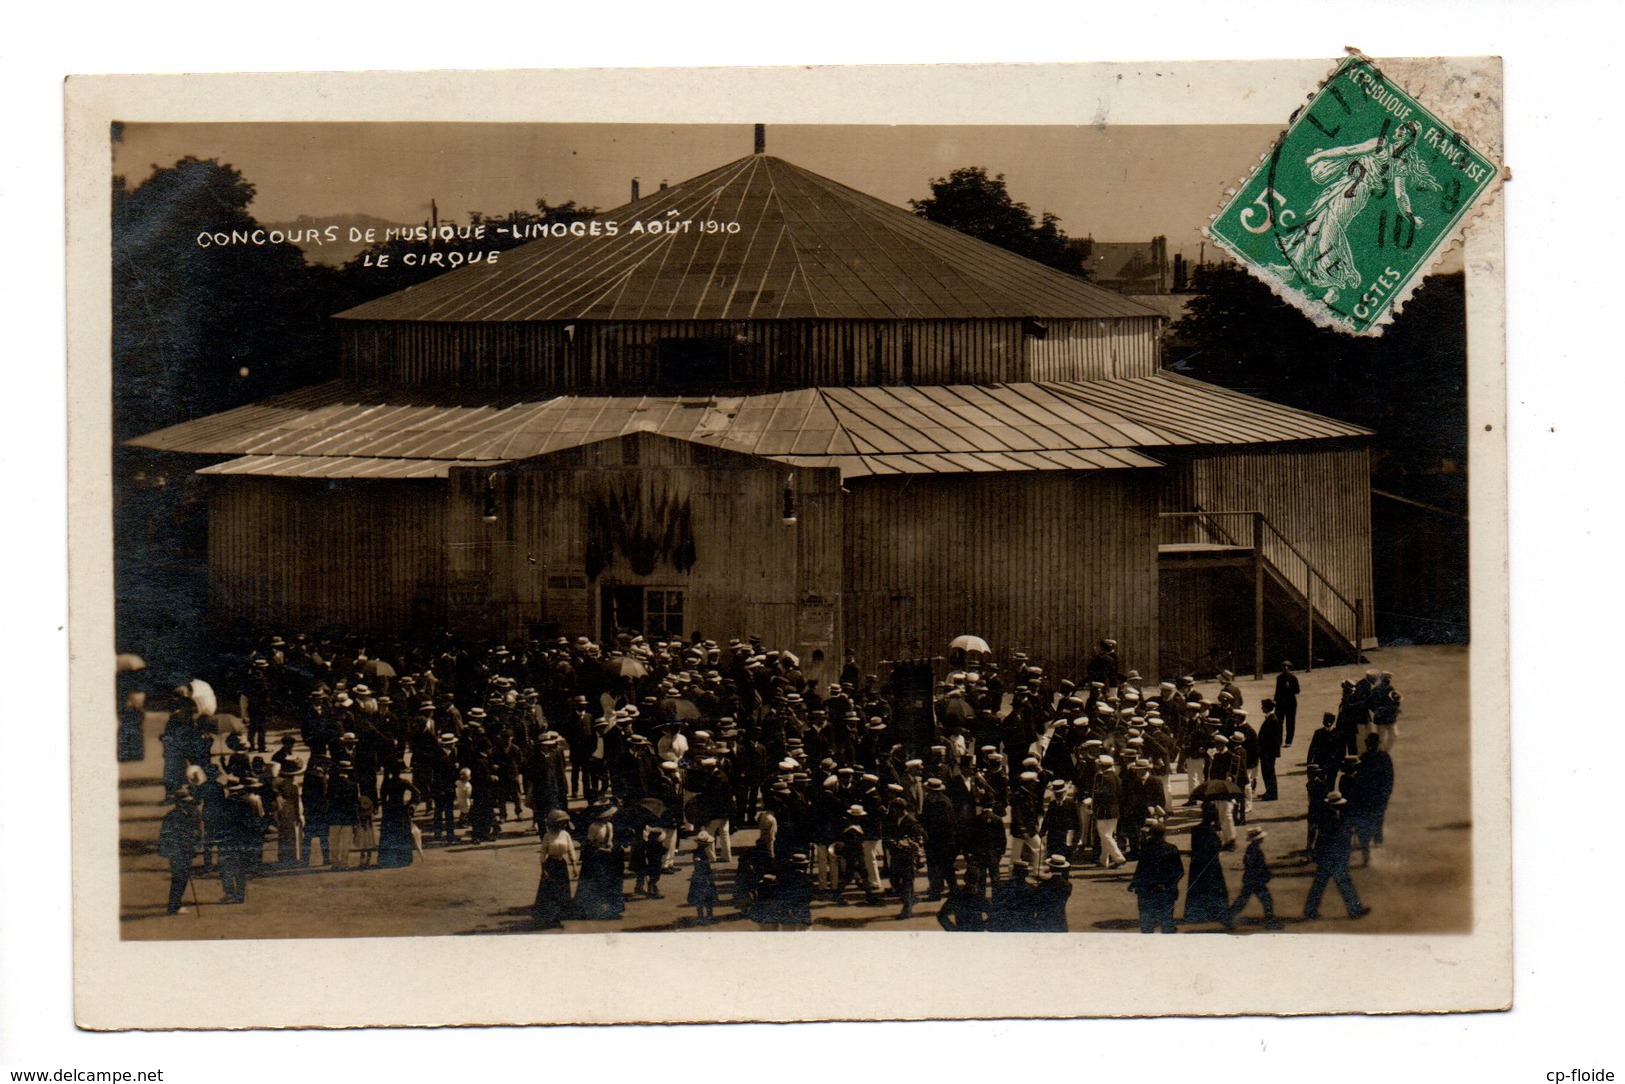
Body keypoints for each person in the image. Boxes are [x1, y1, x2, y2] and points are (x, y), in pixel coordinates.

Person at [1304, 793, 1371, 921]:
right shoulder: (1334, 818)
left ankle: (1310, 910)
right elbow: (1339, 838)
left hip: (1326, 855)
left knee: (1320, 884)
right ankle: (1355, 910)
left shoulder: (1329, 816)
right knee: (1344, 883)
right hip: (1334, 857)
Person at [1128, 817, 1183, 934]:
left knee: (1147, 924)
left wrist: (1133, 883)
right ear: (1164, 835)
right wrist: (1167, 885)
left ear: (1151, 835)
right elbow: (1179, 871)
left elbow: (1140, 869)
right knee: (1166, 921)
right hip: (1166, 891)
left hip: (1147, 891)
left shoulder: (1146, 849)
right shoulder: (1172, 849)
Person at [1182, 805, 1233, 928]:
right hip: (1211, 864)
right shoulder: (1211, 831)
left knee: (1198, 888)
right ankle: (1216, 913)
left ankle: (1196, 913)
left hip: (1197, 864)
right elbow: (1215, 849)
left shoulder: (1196, 830)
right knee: (1215, 887)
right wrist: (1225, 844)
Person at [1228, 827, 1283, 929]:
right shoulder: (1256, 851)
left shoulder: (1251, 849)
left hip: (1250, 879)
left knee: (1243, 900)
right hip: (1256, 880)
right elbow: (1258, 865)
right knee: (1266, 900)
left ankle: (1227, 917)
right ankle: (1270, 922)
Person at [158, 788, 202, 915]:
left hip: (187, 850)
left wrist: (196, 842)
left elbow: (197, 830)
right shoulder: (171, 816)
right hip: (176, 852)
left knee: (183, 878)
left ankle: (176, 904)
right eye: (183, 802)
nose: (186, 804)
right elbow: (165, 836)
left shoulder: (192, 813)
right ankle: (173, 906)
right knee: (178, 878)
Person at [532, 809, 578, 930]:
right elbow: (543, 853)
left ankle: (559, 917)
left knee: (562, 892)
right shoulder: (548, 836)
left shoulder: (565, 835)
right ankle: (549, 918)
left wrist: (574, 866)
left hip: (561, 865)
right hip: (551, 865)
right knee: (550, 892)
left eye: (564, 822)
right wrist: (543, 870)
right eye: (560, 822)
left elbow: (571, 850)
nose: (563, 825)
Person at [1032, 855, 1073, 932]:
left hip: (1044, 920)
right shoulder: (1068, 885)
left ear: (1051, 867)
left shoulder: (1044, 884)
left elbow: (1038, 900)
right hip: (1060, 920)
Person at [688, 831, 720, 924]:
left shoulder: (697, 852)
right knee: (708, 898)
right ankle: (709, 916)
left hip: (697, 877)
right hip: (704, 877)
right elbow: (702, 866)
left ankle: (700, 917)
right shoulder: (701, 854)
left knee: (699, 898)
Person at [1256, 699, 1284, 801]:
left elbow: (1273, 739)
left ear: (1267, 708)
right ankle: (1269, 791)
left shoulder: (1272, 720)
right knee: (1267, 773)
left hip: (1268, 753)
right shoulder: (1271, 719)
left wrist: (1266, 752)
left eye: (1263, 706)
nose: (1261, 708)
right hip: (1267, 752)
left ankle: (1272, 793)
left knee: (1269, 773)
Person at [1274, 663, 1300, 747]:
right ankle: (1279, 740)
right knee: (1279, 722)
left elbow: (1297, 690)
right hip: (1280, 703)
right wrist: (1275, 701)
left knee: (1290, 722)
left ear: (1290, 669)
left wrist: (1290, 688)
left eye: (1287, 667)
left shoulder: (1293, 678)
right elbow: (1277, 690)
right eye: (1284, 667)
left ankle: (1289, 741)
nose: (1285, 668)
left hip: (1291, 703)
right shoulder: (1279, 678)